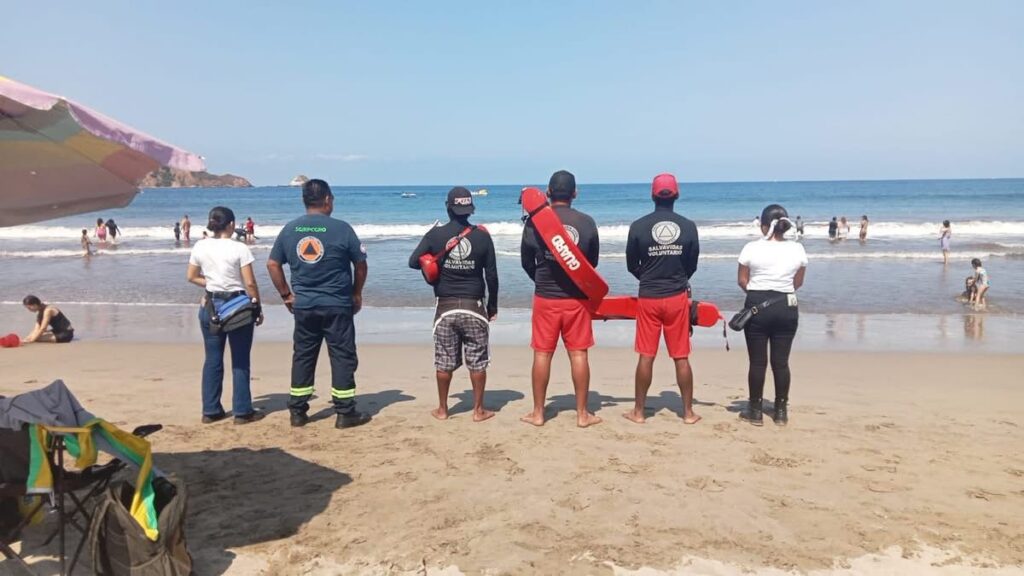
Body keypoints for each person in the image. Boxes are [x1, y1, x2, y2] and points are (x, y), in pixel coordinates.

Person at [267, 179, 371, 429]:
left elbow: (272, 264)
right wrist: (356, 294)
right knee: (342, 356)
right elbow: (360, 264)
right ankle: (345, 412)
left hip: (304, 305)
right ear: (327, 200)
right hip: (337, 305)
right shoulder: (342, 229)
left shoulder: (290, 229)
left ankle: (297, 411)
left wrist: (286, 295)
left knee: (303, 356)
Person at [519, 170, 602, 428]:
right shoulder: (586, 222)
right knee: (578, 354)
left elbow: (526, 262)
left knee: (542, 354)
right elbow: (591, 264)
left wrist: (542, 280)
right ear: (575, 193)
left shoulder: (534, 223)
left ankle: (538, 413)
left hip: (545, 299)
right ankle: (582, 415)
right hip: (577, 300)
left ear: (548, 192)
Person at [408, 187, 499, 422]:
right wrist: (493, 306)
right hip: (474, 307)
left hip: (445, 308)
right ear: (470, 209)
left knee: (444, 361)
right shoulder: (482, 236)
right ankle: (478, 411)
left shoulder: (435, 235)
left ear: (448, 208)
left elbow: (413, 262)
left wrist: (430, 249)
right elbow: (492, 276)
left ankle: (442, 409)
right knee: (477, 362)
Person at [623, 173, 701, 425]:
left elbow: (631, 264)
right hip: (677, 297)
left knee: (646, 355)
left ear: (652, 195)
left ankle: (638, 412)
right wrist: (677, 279)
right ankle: (688, 413)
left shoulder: (638, 226)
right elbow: (692, 264)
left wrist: (648, 278)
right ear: (676, 194)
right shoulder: (688, 226)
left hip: (649, 297)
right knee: (681, 356)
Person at [186, 207, 264, 425]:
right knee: (240, 360)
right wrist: (257, 306)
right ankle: (242, 411)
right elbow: (250, 283)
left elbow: (191, 276)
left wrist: (212, 283)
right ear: (231, 224)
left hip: (211, 305)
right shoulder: (239, 248)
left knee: (212, 359)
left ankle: (210, 410)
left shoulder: (200, 246)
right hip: (237, 307)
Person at [736, 204, 808, 427]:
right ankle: (780, 412)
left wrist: (758, 295)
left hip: (757, 305)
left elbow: (742, 280)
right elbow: (798, 282)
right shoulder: (797, 249)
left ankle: (755, 411)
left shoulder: (751, 248)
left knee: (758, 362)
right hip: (786, 305)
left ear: (764, 225)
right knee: (781, 362)